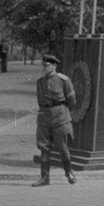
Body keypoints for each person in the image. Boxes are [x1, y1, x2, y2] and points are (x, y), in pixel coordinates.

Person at [33, 54, 77, 187]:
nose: (45, 68)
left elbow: (72, 101)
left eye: (47, 66)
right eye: (44, 66)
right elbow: (40, 100)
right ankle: (44, 177)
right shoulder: (40, 82)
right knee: (44, 148)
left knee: (63, 147)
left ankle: (69, 172)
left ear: (54, 66)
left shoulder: (64, 80)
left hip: (60, 118)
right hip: (44, 119)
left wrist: (62, 112)